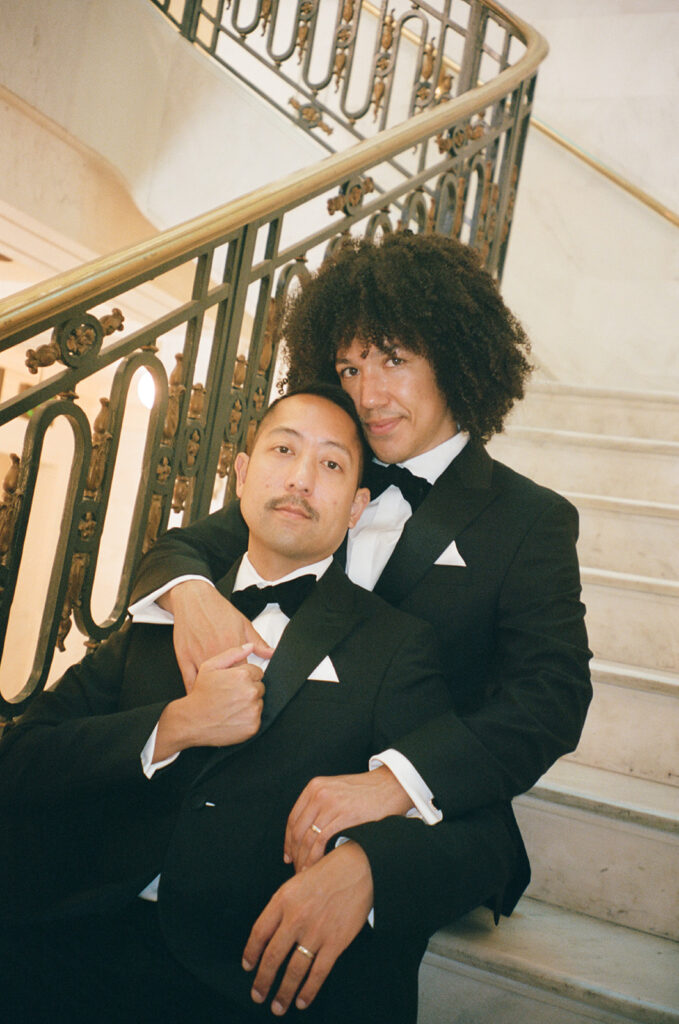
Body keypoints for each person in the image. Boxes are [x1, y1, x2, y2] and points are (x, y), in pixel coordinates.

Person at [129, 231, 592, 1003]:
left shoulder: (528, 521)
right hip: (265, 784)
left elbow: (549, 700)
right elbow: (183, 547)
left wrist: (388, 788)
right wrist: (194, 596)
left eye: (392, 359)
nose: (368, 394)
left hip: (430, 813)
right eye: (349, 367)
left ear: (455, 353)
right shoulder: (323, 474)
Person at [0, 384, 503, 1024]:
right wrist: (172, 726)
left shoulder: (395, 648)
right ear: (241, 476)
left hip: (242, 988)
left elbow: (482, 840)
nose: (299, 479)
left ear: (356, 508)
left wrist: (369, 867)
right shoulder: (164, 618)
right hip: (67, 950)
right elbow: (16, 761)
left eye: (330, 465)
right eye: (283, 450)